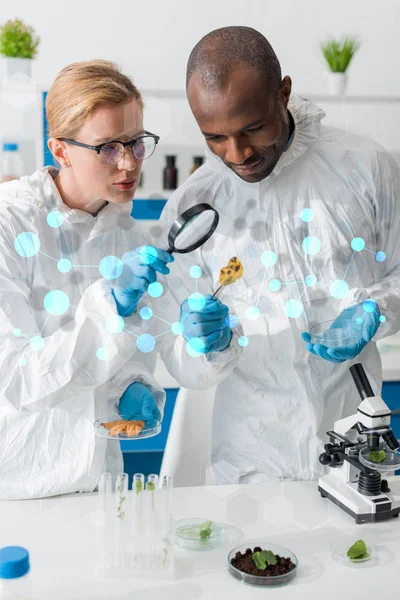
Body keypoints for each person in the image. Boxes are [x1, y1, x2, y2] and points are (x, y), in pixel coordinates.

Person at [158, 26, 400, 484]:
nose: (238, 153)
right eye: (215, 137)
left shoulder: (364, 167)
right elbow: (177, 352)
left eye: (253, 128)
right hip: (249, 462)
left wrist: (378, 308)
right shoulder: (196, 204)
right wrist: (201, 344)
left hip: (354, 443)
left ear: (283, 93)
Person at [0, 60, 239, 500]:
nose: (129, 163)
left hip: (101, 486)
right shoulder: (9, 223)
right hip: (16, 491)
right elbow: (13, 379)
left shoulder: (132, 237)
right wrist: (109, 306)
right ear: (60, 150)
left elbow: (172, 359)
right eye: (107, 148)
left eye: (135, 143)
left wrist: (207, 343)